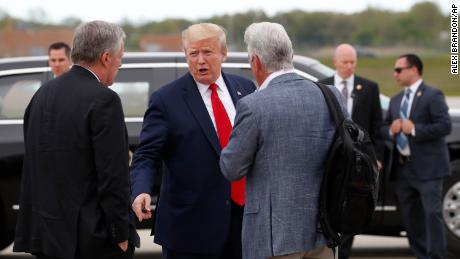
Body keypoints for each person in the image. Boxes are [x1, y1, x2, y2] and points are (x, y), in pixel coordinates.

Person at [13, 20, 140, 259]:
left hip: (47, 235)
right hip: (91, 239)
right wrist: (120, 233)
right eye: (120, 56)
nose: (120, 63)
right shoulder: (104, 100)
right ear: (105, 57)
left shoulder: (42, 94)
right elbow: (113, 176)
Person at [130, 23, 255, 259]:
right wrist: (140, 191)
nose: (200, 61)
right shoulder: (166, 99)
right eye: (193, 54)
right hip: (189, 230)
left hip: (242, 224)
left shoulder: (245, 89)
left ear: (223, 53)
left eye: (207, 52)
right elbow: (146, 155)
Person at [220, 22, 345, 259]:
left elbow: (232, 168)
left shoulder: (253, 105)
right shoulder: (331, 95)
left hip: (273, 238)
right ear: (291, 55)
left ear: (255, 61)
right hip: (324, 230)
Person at [382, 54, 451, 259]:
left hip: (429, 168)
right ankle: (421, 255)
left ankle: (436, 256)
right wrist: (391, 130)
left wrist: (414, 130)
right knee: (410, 219)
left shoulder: (432, 95)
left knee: (432, 215)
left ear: (413, 70)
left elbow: (444, 126)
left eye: (399, 69)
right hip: (403, 169)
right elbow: (383, 128)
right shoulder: (395, 100)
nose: (395, 74)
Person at [319, 43, 383, 259]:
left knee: (352, 204)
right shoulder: (322, 86)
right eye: (345, 62)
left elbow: (377, 128)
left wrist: (377, 159)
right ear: (335, 62)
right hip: (330, 160)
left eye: (352, 62)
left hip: (359, 161)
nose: (349, 66)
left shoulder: (369, 88)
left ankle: (343, 252)